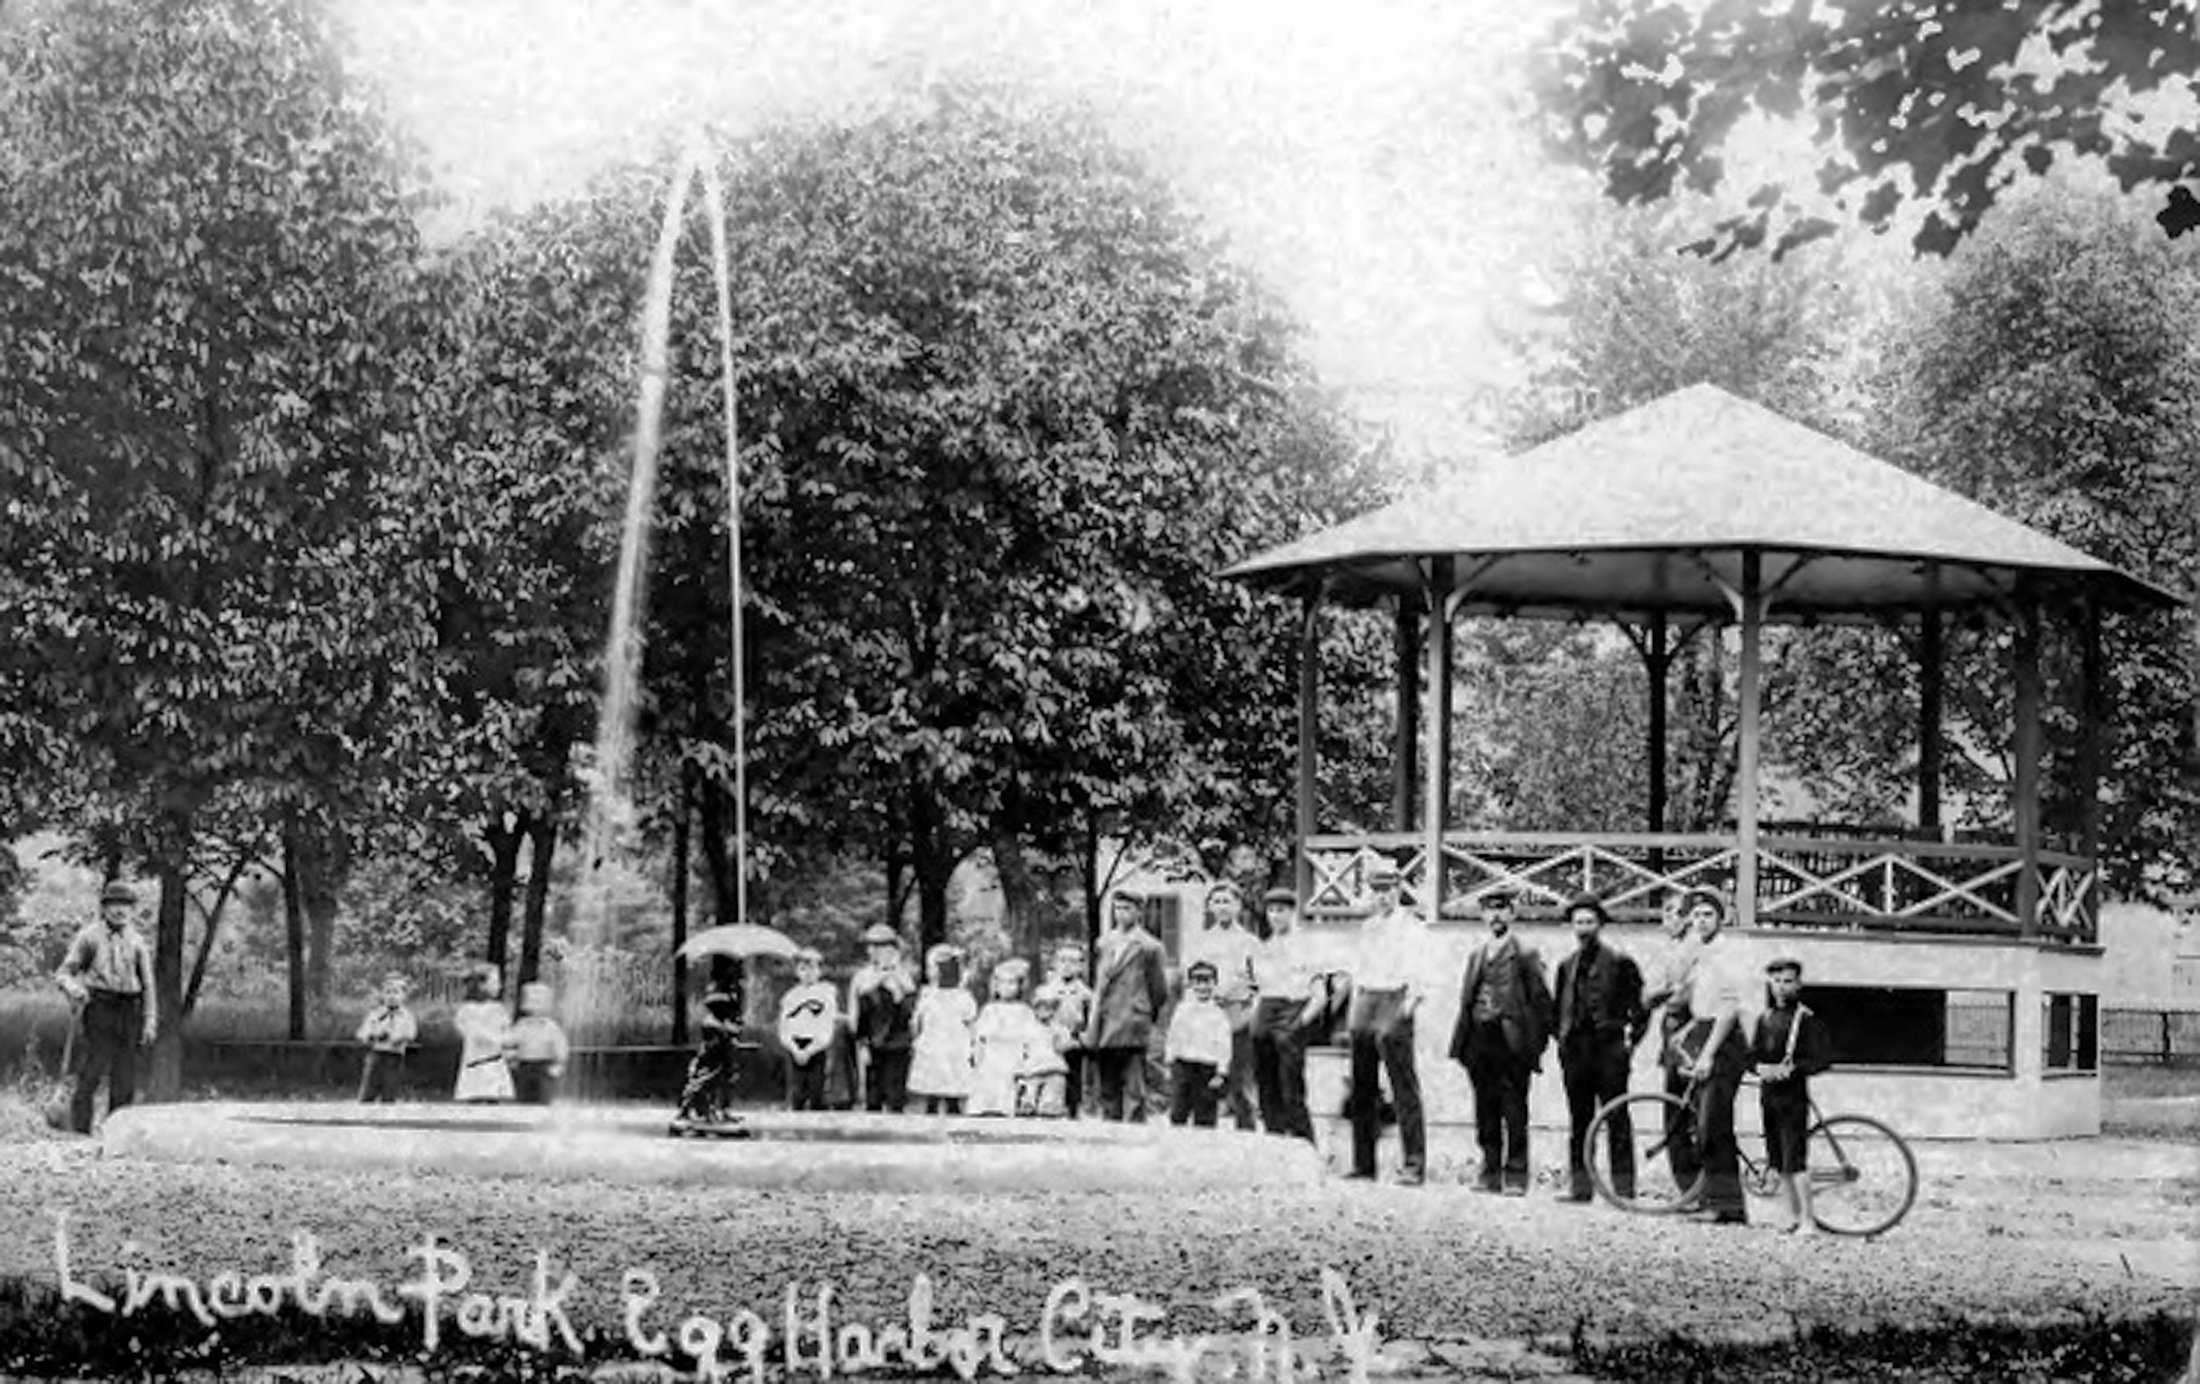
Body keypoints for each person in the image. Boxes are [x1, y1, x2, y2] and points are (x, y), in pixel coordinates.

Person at [1446, 889, 1553, 1195]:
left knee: (1514, 1108)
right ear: (1483, 916)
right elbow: (1466, 1000)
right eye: (1490, 911)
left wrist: (1536, 1044)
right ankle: (1489, 1171)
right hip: (1480, 1041)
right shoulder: (1477, 955)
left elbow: (1542, 1001)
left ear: (1512, 914)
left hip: (1511, 1042)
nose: (1496, 916)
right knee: (1484, 1108)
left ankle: (1517, 1176)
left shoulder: (1525, 954)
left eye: (1502, 910)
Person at [1551, 894, 1648, 1202]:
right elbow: (1557, 1010)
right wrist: (1563, 1041)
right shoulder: (1566, 966)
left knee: (1616, 1118)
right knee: (1579, 1120)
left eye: (1590, 922)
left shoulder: (1621, 963)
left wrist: (1629, 1045)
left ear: (1600, 924)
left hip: (1609, 1051)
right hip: (1576, 1053)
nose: (1584, 928)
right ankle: (1580, 1188)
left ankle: (1624, 1190)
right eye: (1579, 922)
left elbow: (1641, 1010)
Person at [1345, 860, 1432, 1185]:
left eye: (1388, 890)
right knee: (1362, 1086)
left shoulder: (1412, 927)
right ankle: (1363, 1164)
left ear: (1399, 890)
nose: (1382, 897)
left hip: (1395, 1000)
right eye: (1377, 890)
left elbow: (1422, 972)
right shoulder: (1367, 928)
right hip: (1367, 1000)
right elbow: (1358, 970)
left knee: (1403, 1086)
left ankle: (1413, 1164)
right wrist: (1356, 1005)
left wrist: (1407, 1007)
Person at [53, 881, 158, 1135]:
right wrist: (74, 988)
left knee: (126, 1073)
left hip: (129, 1008)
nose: (119, 911)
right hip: (100, 1006)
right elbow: (64, 972)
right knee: (94, 1067)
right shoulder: (89, 937)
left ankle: (116, 1133)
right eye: (114, 905)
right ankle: (80, 1131)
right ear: (104, 908)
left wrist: (149, 1018)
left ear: (132, 910)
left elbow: (148, 984)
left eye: (125, 906)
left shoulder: (137, 941)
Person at [1679, 889, 1756, 1225]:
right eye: (1695, 915)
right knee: (1703, 1124)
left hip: (1724, 1042)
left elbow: (1729, 1006)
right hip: (1706, 1031)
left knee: (1713, 1125)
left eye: (1707, 915)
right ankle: (1716, 1199)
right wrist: (1687, 1032)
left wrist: (1708, 1053)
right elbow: (1704, 1003)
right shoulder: (1702, 952)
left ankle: (1729, 1206)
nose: (1700, 921)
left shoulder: (1727, 952)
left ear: (1720, 919)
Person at [1753, 958, 1833, 1234]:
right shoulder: (1765, 1018)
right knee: (1777, 1158)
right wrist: (1759, 1068)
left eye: (1787, 981)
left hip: (1793, 1095)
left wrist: (1794, 1070)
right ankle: (1790, 1215)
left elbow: (1821, 1059)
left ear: (1798, 984)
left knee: (1795, 1158)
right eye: (1776, 981)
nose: (1781, 987)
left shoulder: (1806, 1019)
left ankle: (1808, 1220)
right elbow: (1753, 1056)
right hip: (1768, 1094)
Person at [1082, 891, 1170, 1122]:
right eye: (1118, 908)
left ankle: (1134, 1129)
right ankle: (1111, 1126)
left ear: (1140, 912)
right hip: (1106, 1020)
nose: (1121, 914)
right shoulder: (1104, 942)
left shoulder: (1150, 947)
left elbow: (1159, 990)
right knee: (1108, 1083)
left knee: (1134, 1085)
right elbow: (1100, 983)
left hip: (1132, 1021)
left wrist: (1142, 1010)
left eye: (1128, 909)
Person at [1250, 886, 1327, 1142]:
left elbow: (1320, 995)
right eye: (1271, 911)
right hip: (1265, 1014)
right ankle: (1274, 1147)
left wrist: (1299, 1024)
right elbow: (1260, 991)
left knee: (1291, 1088)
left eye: (1281, 910)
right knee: (1266, 1086)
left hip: (1293, 1011)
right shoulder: (1263, 948)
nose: (1275, 916)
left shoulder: (1307, 945)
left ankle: (1304, 1147)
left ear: (1292, 912)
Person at [1181, 881, 1260, 1131]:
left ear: (1238, 905)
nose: (1222, 907)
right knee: (1204, 1077)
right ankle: (1205, 1139)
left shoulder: (1250, 942)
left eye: (1227, 901)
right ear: (1209, 906)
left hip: (1237, 1015)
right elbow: (1188, 981)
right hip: (1206, 1017)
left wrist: (1250, 1013)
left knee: (1240, 1081)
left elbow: (1260, 984)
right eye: (1216, 901)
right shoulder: (1200, 942)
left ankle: (1246, 1136)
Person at [1641, 885, 1704, 1194]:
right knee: (1675, 1112)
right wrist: (1665, 992)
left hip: (1695, 1034)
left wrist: (1667, 992)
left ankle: (1699, 1187)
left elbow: (1685, 994)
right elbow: (1648, 996)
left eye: (1681, 913)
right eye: (1668, 913)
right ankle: (1687, 1188)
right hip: (1672, 1036)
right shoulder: (1666, 952)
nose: (1674, 919)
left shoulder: (1697, 947)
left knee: (1692, 1113)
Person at [849, 924, 919, 1113]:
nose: (876, 952)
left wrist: (898, 989)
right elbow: (858, 1014)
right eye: (873, 947)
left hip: (898, 1043)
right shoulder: (862, 978)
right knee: (873, 1095)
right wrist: (861, 1044)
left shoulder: (905, 976)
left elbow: (911, 1010)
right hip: (873, 1042)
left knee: (895, 1096)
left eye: (883, 947)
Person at [968, 959, 1045, 1117]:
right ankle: (985, 1108)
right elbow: (980, 1036)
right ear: (996, 986)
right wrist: (977, 1054)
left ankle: (1008, 1109)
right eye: (1002, 983)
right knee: (987, 1078)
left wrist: (1028, 1059)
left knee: (1009, 1080)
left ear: (1020, 986)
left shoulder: (1024, 1011)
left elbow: (1032, 1037)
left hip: (1013, 1055)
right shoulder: (990, 1010)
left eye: (1012, 983)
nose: (1007, 987)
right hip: (992, 1056)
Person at [676, 957, 746, 1128]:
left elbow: (734, 1014)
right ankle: (696, 1110)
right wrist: (727, 1023)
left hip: (725, 1037)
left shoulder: (735, 989)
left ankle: (719, 1109)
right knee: (709, 1075)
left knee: (726, 1074)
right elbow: (717, 1007)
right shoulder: (718, 989)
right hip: (717, 1036)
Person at [908, 944, 977, 1115]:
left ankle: (952, 1107)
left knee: (951, 1078)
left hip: (953, 1045)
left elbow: (970, 1021)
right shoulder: (928, 994)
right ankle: (931, 1107)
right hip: (933, 1042)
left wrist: (971, 1044)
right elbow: (918, 1018)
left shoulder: (962, 996)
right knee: (932, 1079)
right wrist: (916, 1037)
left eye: (933, 967)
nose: (929, 971)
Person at [1164, 959, 1232, 1127]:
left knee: (1205, 1118)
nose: (1202, 987)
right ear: (1190, 985)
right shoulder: (1183, 1010)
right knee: (1178, 1114)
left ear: (1215, 984)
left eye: (1207, 982)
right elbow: (1173, 1036)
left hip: (1206, 1069)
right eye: (1198, 982)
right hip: (1184, 1066)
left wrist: (1221, 1072)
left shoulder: (1218, 1014)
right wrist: (1169, 1062)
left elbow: (1224, 1045)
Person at [1031, 943, 1093, 1117]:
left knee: (1073, 1074)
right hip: (1049, 1039)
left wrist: (1082, 1037)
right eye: (1063, 960)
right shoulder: (1045, 990)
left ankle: (1074, 1108)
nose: (1067, 965)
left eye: (1073, 961)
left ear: (1081, 966)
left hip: (1073, 1039)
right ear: (1055, 963)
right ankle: (1043, 1104)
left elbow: (1089, 1019)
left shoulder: (1085, 993)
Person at [777, 948, 842, 1112]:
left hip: (816, 1046)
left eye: (812, 968)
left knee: (817, 1092)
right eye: (803, 968)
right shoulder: (790, 997)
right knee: (797, 1092)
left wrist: (811, 1049)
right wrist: (794, 1048)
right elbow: (784, 1027)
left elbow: (827, 1027)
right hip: (795, 1046)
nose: (808, 973)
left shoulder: (826, 995)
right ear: (797, 971)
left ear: (819, 971)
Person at [452, 966, 514, 1104]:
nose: (499, 986)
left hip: (494, 1059)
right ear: (482, 985)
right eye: (495, 982)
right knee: (475, 1092)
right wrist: (483, 1034)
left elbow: (506, 1031)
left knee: (493, 1093)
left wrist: (506, 1044)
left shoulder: (498, 1009)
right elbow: (463, 1029)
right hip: (475, 1059)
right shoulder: (467, 1010)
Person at [354, 973, 419, 1104]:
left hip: (394, 1056)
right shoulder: (376, 1014)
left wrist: (399, 1038)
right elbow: (361, 1033)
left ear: (403, 996)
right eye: (388, 992)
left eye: (396, 992)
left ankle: (387, 1110)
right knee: (368, 1088)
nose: (391, 996)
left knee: (390, 1088)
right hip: (376, 1054)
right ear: (382, 995)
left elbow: (411, 1034)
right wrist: (373, 1035)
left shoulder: (406, 1016)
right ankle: (365, 1109)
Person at [505, 981, 569, 1105]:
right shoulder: (522, 1025)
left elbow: (561, 1046)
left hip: (544, 1067)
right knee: (523, 1095)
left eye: (540, 1002)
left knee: (544, 1095)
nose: (535, 1008)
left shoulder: (551, 1027)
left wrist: (559, 1063)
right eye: (533, 1001)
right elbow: (510, 1041)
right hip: (524, 1065)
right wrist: (511, 1058)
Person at [1020, 986, 1073, 1118]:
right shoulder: (1028, 1027)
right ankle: (1028, 1106)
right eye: (1040, 1007)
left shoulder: (1059, 1028)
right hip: (1033, 1068)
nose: (1045, 1012)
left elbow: (1063, 1046)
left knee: (1052, 1100)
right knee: (1029, 1095)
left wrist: (1059, 1039)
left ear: (1055, 1010)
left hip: (1053, 1067)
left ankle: (1050, 1108)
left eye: (1049, 1008)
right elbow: (1023, 1048)